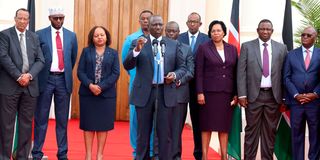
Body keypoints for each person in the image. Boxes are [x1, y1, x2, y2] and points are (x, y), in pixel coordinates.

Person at [123, 15, 186, 160]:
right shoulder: (137, 43)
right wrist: (137, 50)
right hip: (144, 93)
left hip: (165, 93)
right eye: (155, 25)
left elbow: (182, 67)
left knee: (165, 134)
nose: (158, 27)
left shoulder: (173, 44)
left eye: (160, 25)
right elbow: (127, 64)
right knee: (142, 134)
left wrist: (174, 75)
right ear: (149, 26)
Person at [237, 19, 287, 160]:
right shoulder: (247, 46)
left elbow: (285, 74)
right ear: (257, 30)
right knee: (251, 132)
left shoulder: (281, 48)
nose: (265, 31)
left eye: (268, 29)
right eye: (262, 29)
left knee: (270, 132)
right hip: (253, 97)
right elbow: (241, 72)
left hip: (273, 96)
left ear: (272, 31)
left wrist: (284, 97)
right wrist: (241, 94)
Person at [32, 8, 78, 160]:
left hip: (63, 81)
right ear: (49, 18)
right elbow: (36, 57)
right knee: (41, 118)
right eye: (55, 18)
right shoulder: (39, 34)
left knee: (62, 120)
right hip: (45, 80)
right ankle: (37, 152)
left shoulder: (71, 36)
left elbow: (72, 58)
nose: (58, 21)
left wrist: (62, 71)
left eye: (61, 18)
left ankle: (62, 153)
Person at [0, 8, 45, 159]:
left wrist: (29, 75)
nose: (22, 21)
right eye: (20, 18)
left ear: (29, 21)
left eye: (25, 19)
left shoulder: (34, 37)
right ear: (15, 19)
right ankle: (4, 157)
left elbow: (41, 60)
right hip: (10, 86)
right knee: (6, 125)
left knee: (26, 126)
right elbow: (4, 58)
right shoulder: (5, 35)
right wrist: (19, 77)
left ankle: (22, 157)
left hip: (30, 87)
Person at [195, 20, 238, 160]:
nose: (216, 33)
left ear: (224, 32)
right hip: (208, 94)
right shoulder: (203, 48)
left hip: (226, 94)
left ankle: (224, 156)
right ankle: (205, 156)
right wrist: (199, 92)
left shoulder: (232, 48)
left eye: (218, 30)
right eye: (213, 31)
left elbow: (235, 71)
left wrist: (236, 93)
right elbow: (199, 72)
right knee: (206, 126)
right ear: (210, 33)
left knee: (224, 127)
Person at [77, 26, 120, 160]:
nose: (100, 37)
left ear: (106, 37)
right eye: (96, 35)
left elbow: (115, 73)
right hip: (87, 94)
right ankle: (88, 155)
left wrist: (100, 87)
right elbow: (80, 72)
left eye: (102, 35)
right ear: (92, 38)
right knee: (88, 126)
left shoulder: (113, 53)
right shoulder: (86, 51)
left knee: (103, 126)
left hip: (106, 96)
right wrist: (90, 85)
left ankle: (99, 155)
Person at [121, 10, 156, 159]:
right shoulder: (132, 39)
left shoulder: (159, 38)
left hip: (155, 86)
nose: (146, 21)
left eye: (149, 19)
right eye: (143, 19)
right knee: (136, 119)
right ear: (139, 21)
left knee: (154, 120)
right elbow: (126, 62)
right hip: (138, 85)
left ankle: (152, 151)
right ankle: (137, 151)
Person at [283, 26, 320, 160]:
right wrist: (296, 95)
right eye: (303, 34)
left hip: (314, 103)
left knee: (315, 135)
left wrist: (315, 94)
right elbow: (286, 77)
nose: (304, 37)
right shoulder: (291, 54)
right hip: (296, 103)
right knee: (296, 135)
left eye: (308, 35)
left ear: (315, 38)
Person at [177, 12, 209, 160]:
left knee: (198, 122)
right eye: (190, 21)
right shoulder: (179, 38)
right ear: (187, 23)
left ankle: (199, 153)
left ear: (200, 24)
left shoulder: (206, 40)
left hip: (199, 88)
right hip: (180, 86)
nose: (192, 24)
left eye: (195, 21)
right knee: (178, 122)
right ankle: (175, 154)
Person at [165, 21, 194, 160]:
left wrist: (177, 80)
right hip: (161, 93)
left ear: (179, 32)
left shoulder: (187, 49)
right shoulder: (159, 46)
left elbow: (190, 71)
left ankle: (176, 156)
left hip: (179, 94)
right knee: (162, 128)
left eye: (174, 31)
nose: (171, 34)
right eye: (168, 31)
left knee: (176, 129)